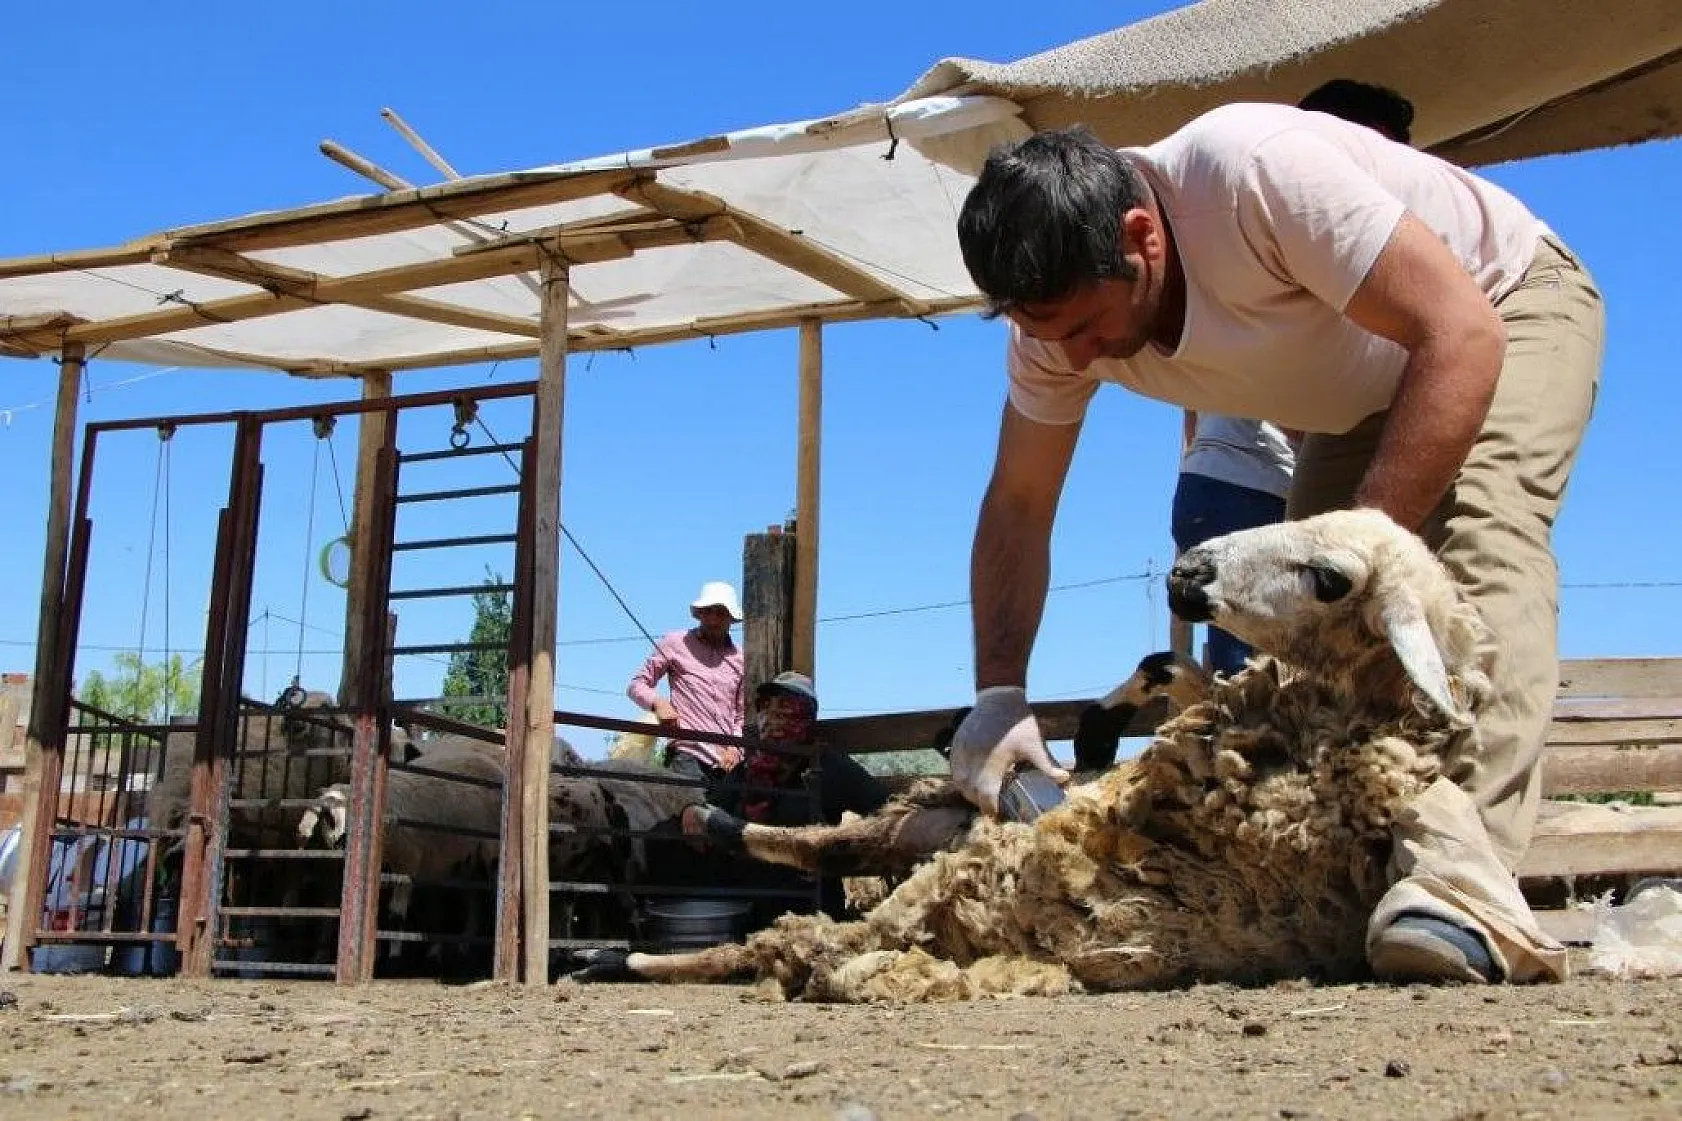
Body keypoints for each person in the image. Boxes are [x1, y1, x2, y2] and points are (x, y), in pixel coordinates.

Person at [946, 100, 1603, 986]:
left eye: (1086, 327)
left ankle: (1465, 880)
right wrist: (998, 695)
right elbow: (1020, 502)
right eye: (1046, 333)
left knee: (1477, 545)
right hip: (1356, 395)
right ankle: (1346, 880)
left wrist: (1363, 551)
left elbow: (1461, 333)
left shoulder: (1253, 176)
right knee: (1304, 654)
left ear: (1141, 237)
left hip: (1502, 307)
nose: (1075, 356)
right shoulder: (1053, 334)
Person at [1167, 81, 1417, 676]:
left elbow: (1196, 403)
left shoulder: (1267, 236)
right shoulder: (1298, 231)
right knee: (1270, 674)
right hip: (1253, 486)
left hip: (1223, 480)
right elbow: (1282, 389)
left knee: (1264, 670)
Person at [1169, 412, 1294, 674]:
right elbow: (1297, 426)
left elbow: (1192, 425)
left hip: (1195, 487)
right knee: (1281, 634)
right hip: (1257, 487)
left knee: (1227, 625)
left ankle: (1232, 690)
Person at [627, 581, 747, 797]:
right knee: (691, 812)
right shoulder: (675, 642)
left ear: (731, 617)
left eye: (720, 612)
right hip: (686, 756)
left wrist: (735, 748)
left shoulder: (740, 659)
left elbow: (741, 714)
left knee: (726, 815)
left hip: (726, 763)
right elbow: (637, 684)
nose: (713, 619)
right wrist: (659, 703)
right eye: (707, 611)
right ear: (699, 614)